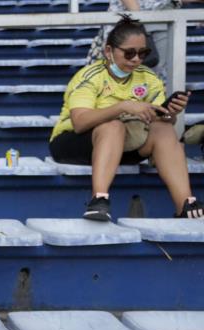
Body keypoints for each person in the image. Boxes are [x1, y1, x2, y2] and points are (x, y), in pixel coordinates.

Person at [50, 15, 202, 221]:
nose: (136, 59)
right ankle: (98, 200)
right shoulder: (89, 76)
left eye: (143, 53)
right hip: (74, 141)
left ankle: (185, 204)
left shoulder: (149, 78)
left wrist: (170, 114)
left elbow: (161, 121)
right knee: (113, 126)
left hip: (125, 144)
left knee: (164, 130)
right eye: (129, 53)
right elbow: (79, 122)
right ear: (109, 51)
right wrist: (122, 107)